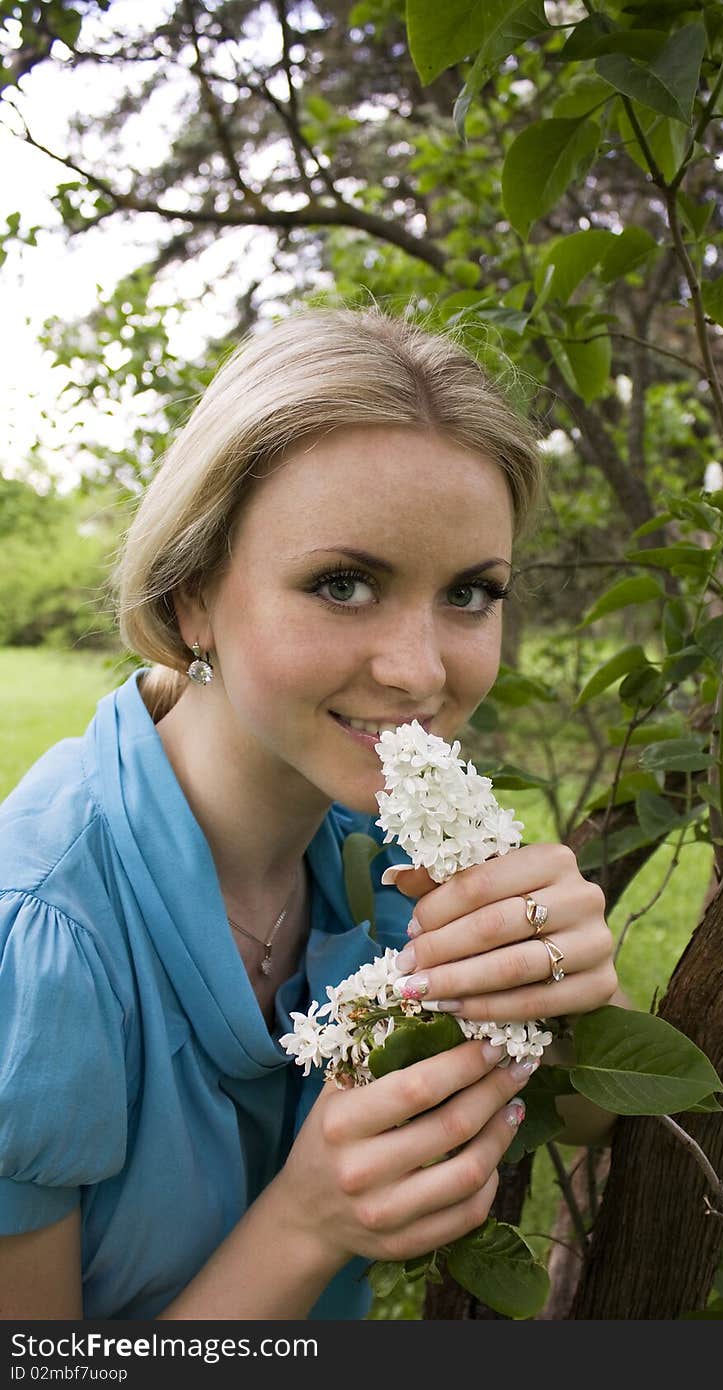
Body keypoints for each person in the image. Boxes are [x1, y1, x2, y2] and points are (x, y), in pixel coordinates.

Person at [0, 307, 621, 1321]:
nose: (419, 670)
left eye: (470, 592)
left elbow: (597, 1116)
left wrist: (573, 991)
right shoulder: (37, 935)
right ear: (194, 594)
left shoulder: (389, 853)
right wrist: (305, 1225)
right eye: (343, 584)